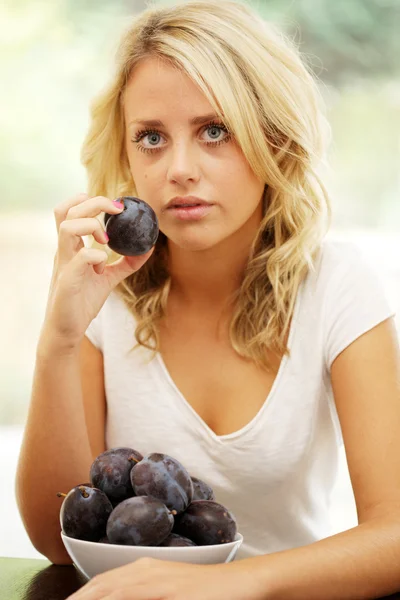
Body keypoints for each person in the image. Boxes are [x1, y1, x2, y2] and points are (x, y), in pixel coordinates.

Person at [15, 0, 400, 598]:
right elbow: (55, 540)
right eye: (151, 138)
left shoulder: (335, 285)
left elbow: (395, 533)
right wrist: (59, 340)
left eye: (214, 131)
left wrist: (232, 586)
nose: (180, 169)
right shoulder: (105, 294)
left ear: (273, 138)